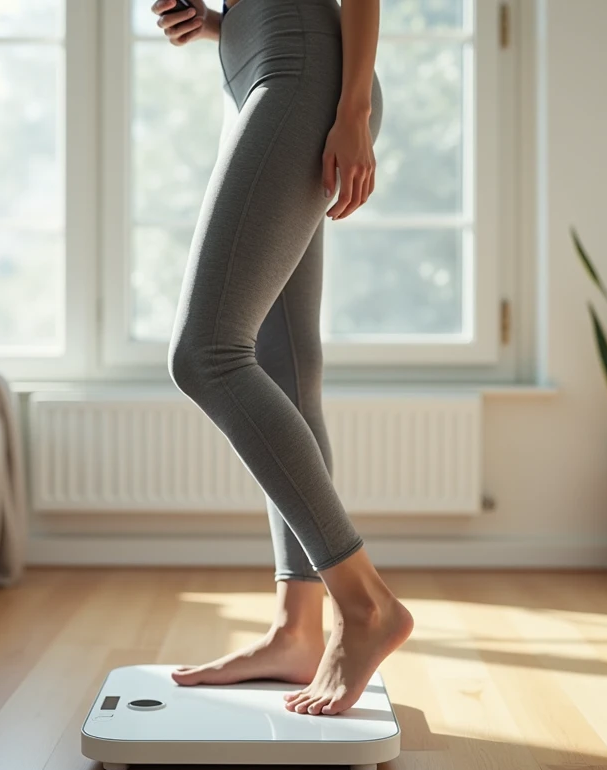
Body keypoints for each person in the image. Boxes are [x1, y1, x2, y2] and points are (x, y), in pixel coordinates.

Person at [151, 0, 412, 717]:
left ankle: (363, 605)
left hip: (304, 77)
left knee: (205, 352)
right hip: (273, 68)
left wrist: (352, 111)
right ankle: (296, 631)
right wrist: (218, 23)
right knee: (287, 368)